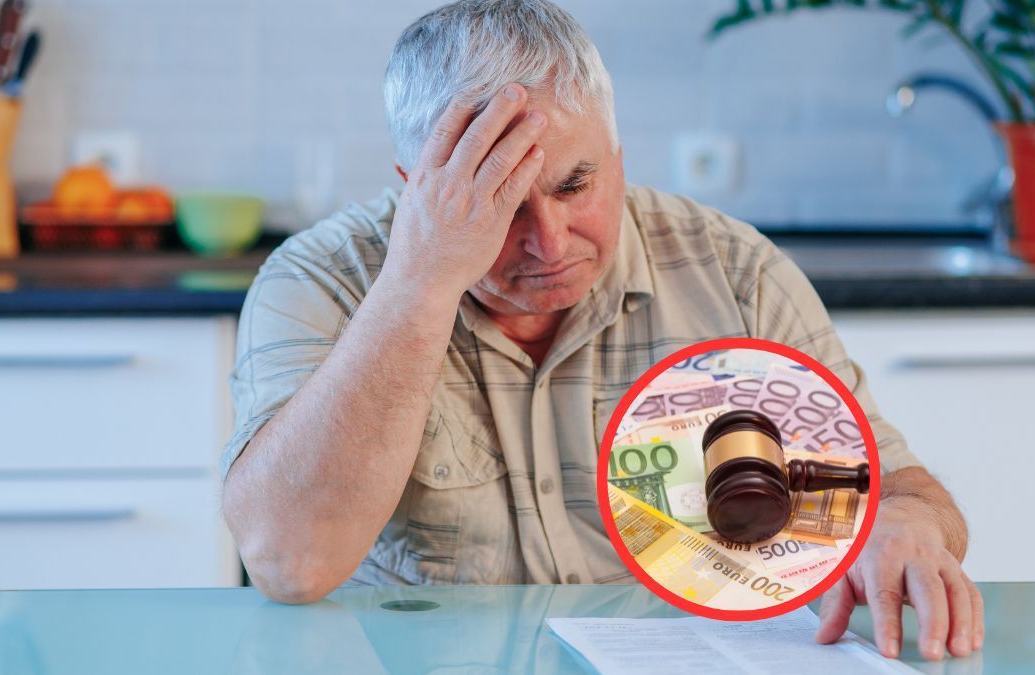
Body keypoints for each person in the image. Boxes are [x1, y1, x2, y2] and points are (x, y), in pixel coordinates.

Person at [220, 0, 982, 662]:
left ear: (619, 153)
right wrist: (422, 279)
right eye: (500, 205)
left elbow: (903, 492)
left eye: (575, 184)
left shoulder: (735, 271)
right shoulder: (319, 279)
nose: (549, 242)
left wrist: (903, 524)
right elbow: (290, 561)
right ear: (415, 190)